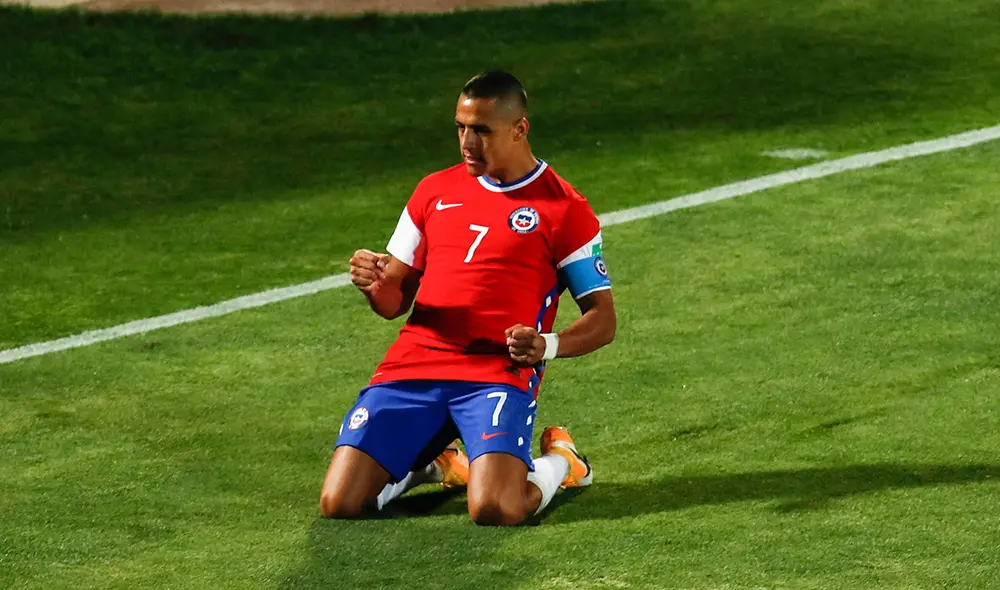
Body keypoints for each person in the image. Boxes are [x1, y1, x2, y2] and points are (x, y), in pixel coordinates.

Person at [320, 70, 617, 525]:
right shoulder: (433, 191)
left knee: (497, 508)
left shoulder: (565, 210)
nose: (467, 143)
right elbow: (392, 303)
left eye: (481, 130)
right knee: (339, 502)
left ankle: (562, 462)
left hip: (495, 375)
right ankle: (434, 465)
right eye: (460, 128)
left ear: (519, 129)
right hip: (413, 366)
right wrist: (374, 283)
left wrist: (547, 345)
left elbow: (603, 319)